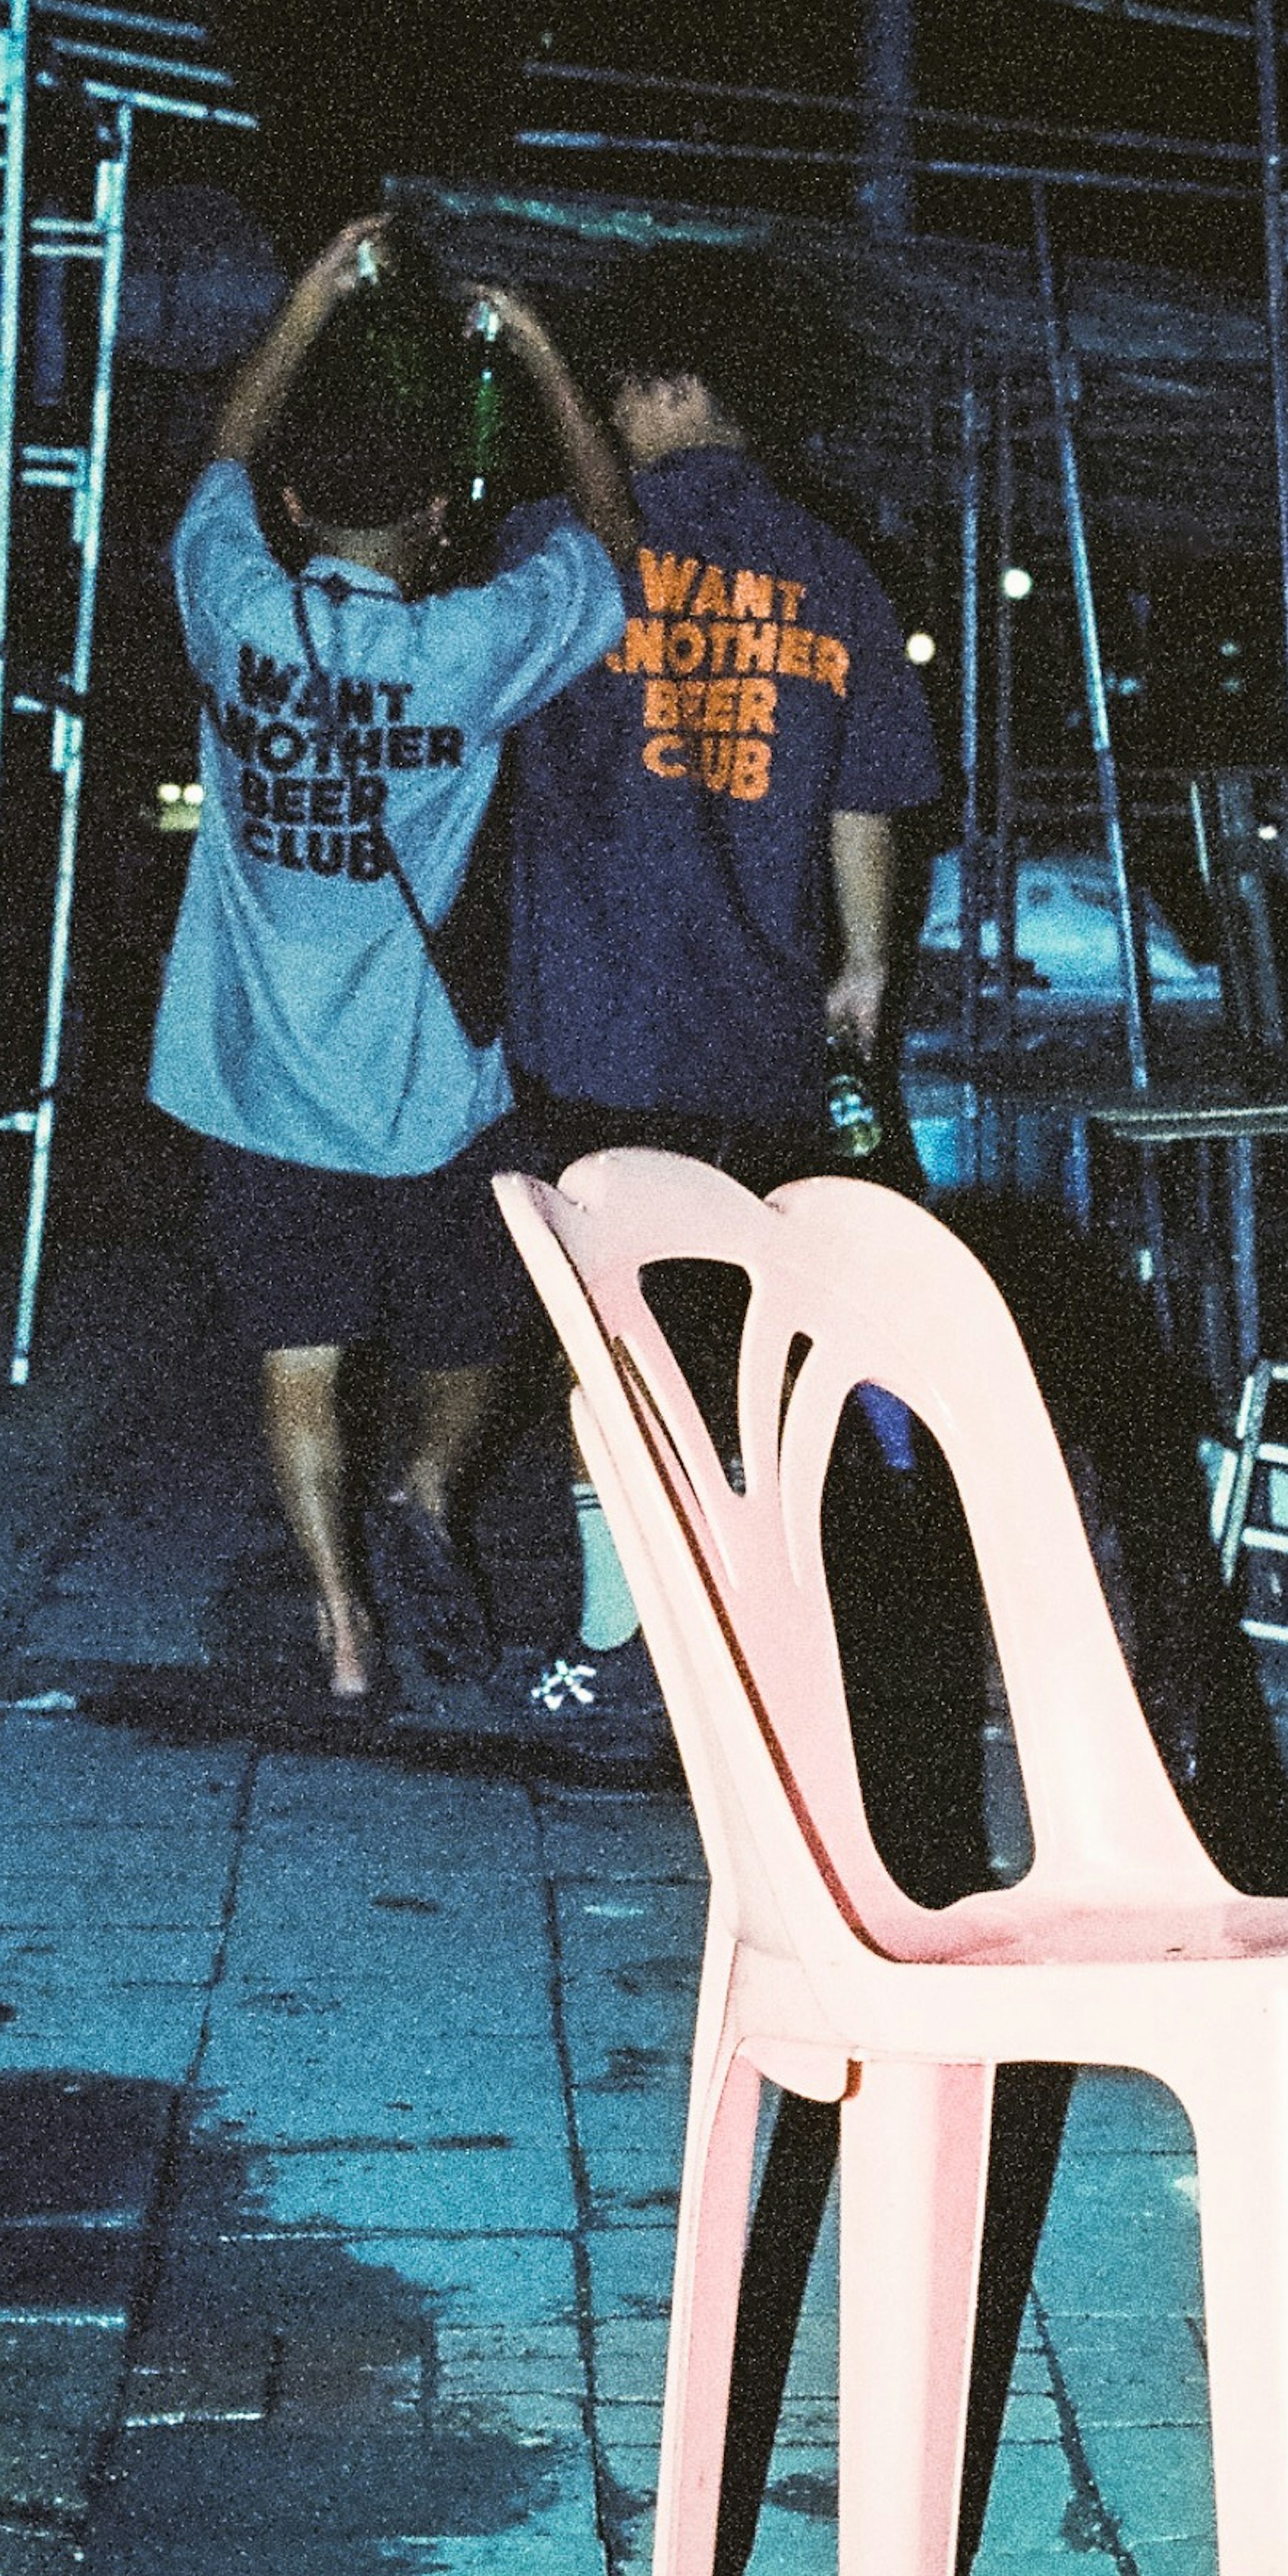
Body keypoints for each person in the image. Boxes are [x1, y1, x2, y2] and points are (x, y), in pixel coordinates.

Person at [148, 216, 642, 1709]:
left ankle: (344, 1622)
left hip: (250, 1074)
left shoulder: (236, 612)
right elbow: (616, 544)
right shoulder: (468, 647)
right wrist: (537, 349)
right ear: (435, 514)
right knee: (479, 1319)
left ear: (301, 506)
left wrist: (305, 295)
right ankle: (425, 1486)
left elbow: (219, 468)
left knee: (297, 1355)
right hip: (428, 1080)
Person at [497, 245, 941, 1745]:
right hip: (758, 1030)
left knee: (606, 1340)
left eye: (626, 384)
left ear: (678, 384)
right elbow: (872, 795)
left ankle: (622, 1649)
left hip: (597, 1017)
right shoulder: (835, 569)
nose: (613, 411)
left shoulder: (559, 547)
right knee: (747, 1341)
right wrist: (866, 970)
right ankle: (758, 1642)